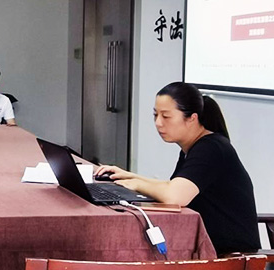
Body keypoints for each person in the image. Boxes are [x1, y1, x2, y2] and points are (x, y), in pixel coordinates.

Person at [95, 82, 259, 255]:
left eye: (166, 116)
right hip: (204, 248)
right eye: (155, 115)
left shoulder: (211, 148)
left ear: (192, 118)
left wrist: (136, 184)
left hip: (230, 256)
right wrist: (128, 176)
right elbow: (172, 185)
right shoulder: (194, 148)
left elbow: (175, 196)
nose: (158, 123)